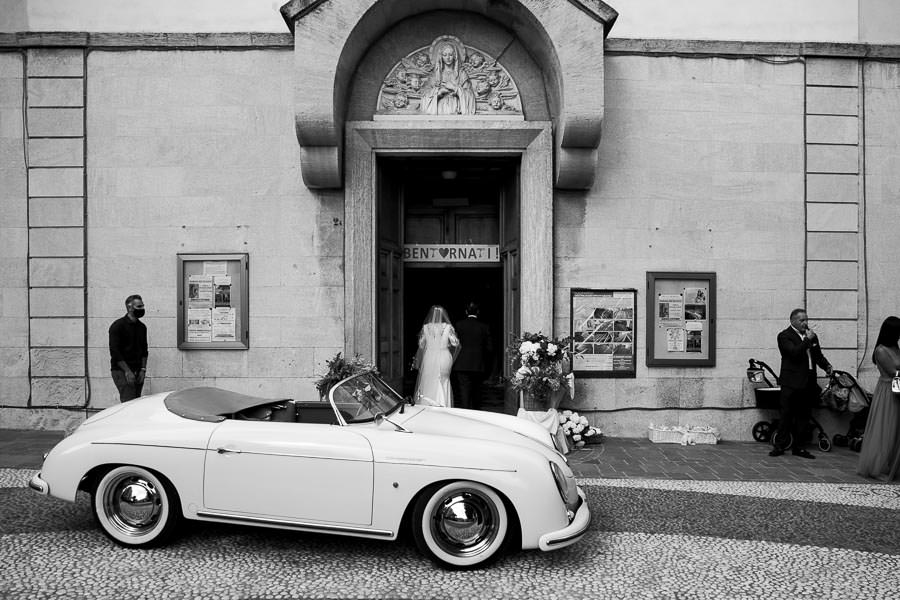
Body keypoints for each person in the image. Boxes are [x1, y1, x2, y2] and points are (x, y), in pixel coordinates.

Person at [770, 308, 832, 458]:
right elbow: (794, 353)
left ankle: (798, 447)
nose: (805, 323)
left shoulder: (811, 336)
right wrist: (807, 341)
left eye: (806, 320)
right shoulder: (784, 336)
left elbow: (817, 355)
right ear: (792, 321)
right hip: (791, 382)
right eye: (802, 320)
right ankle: (779, 446)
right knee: (786, 415)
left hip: (808, 381)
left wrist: (826, 365)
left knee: (803, 415)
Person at [857, 316, 900, 480]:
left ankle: (891, 464)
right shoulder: (881, 350)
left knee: (895, 429)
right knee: (885, 428)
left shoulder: (895, 347)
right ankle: (877, 467)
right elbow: (892, 372)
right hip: (888, 391)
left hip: (896, 387)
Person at [413, 305, 460, 407]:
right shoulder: (447, 327)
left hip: (429, 356)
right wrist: (446, 342)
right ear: (443, 315)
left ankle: (427, 404)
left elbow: (421, 344)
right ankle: (443, 403)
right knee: (443, 379)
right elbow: (455, 343)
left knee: (428, 380)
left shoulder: (426, 327)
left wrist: (431, 343)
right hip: (444, 356)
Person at [452, 302, 493, 410]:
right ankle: (476, 412)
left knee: (464, 390)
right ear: (478, 312)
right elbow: (489, 348)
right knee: (477, 390)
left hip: (462, 363)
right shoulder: (484, 326)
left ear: (466, 312)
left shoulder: (459, 325)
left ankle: (466, 411)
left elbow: (454, 345)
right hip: (478, 363)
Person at [109, 294, 148, 402]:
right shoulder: (117, 326)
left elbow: (144, 350)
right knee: (128, 402)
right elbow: (115, 352)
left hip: (137, 370)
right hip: (121, 371)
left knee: (136, 402)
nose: (142, 309)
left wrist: (143, 370)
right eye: (139, 307)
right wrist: (127, 371)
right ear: (130, 307)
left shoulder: (142, 327)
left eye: (142, 306)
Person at [421, 39, 476, 116]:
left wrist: (455, 89)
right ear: (441, 57)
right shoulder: (434, 75)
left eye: (450, 55)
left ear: (455, 56)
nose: (448, 58)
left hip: (456, 108)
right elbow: (425, 96)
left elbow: (470, 95)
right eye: (445, 55)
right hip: (439, 109)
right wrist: (438, 93)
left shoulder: (461, 74)